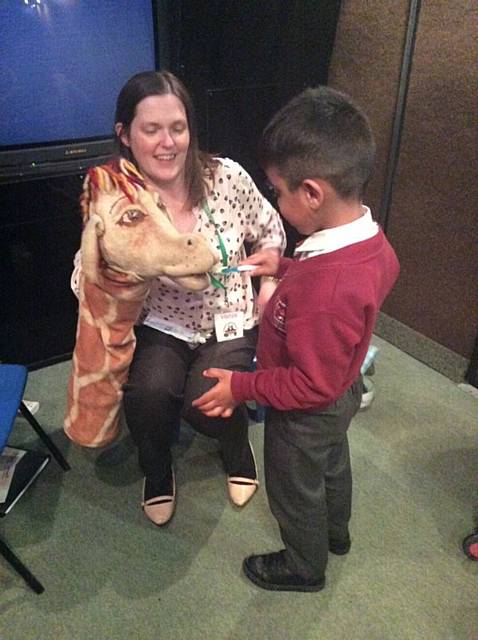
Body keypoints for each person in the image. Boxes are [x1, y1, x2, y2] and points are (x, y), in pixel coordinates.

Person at [193, 86, 400, 592]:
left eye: (278, 191)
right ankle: (336, 533)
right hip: (343, 392)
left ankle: (304, 567)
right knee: (332, 462)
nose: (275, 201)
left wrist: (241, 388)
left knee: (293, 486)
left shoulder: (326, 292)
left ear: (311, 193)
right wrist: (284, 266)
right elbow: (333, 286)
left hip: (306, 410)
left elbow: (308, 383)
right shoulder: (369, 241)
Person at [81, 70, 285, 526]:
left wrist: (268, 282)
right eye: (151, 129)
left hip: (229, 315)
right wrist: (117, 274)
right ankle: (156, 470)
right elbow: (84, 278)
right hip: (162, 323)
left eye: (177, 127)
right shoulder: (117, 201)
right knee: (148, 398)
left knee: (208, 401)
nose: (167, 142)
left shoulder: (226, 177)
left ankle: (236, 447)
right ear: (125, 135)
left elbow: (270, 232)